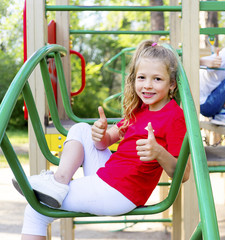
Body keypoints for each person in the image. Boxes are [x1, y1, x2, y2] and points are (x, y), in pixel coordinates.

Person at [13, 40, 191, 240]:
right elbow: (104, 142)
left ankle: (56, 186)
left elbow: (183, 174)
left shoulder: (175, 117)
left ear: (172, 84)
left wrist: (158, 152)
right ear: (134, 80)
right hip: (109, 175)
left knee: (37, 209)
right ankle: (59, 181)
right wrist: (100, 134)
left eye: (157, 79)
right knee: (81, 128)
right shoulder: (140, 110)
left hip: (120, 191)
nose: (147, 85)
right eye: (142, 78)